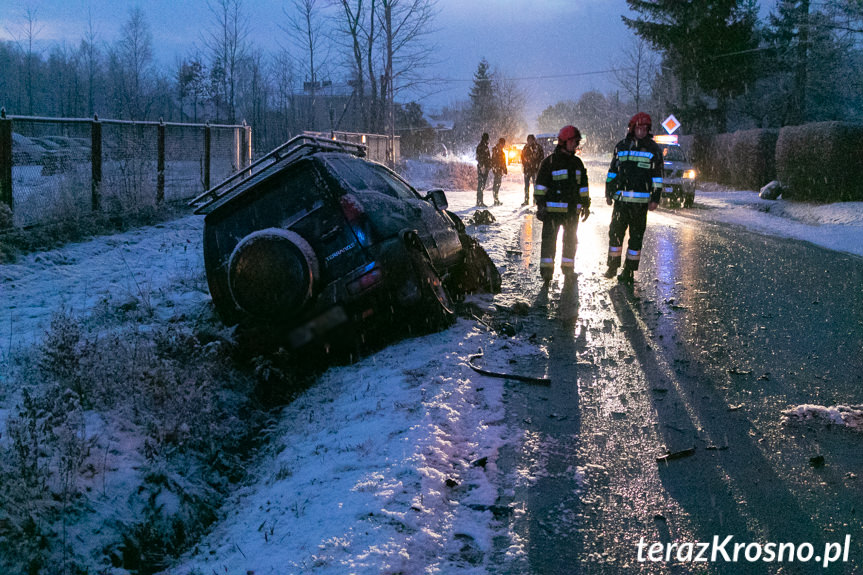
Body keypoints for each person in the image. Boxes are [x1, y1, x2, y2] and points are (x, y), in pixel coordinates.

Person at [603, 112, 663, 283]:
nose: (642, 131)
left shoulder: (653, 150)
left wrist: (655, 198)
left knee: (636, 238)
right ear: (632, 128)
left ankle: (629, 270)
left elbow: (657, 178)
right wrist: (608, 193)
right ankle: (612, 266)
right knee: (615, 233)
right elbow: (612, 173)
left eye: (645, 129)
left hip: (640, 205)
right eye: (639, 128)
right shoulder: (621, 146)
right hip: (621, 202)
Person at [534, 125, 590, 281]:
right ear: (564, 141)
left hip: (572, 212)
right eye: (574, 141)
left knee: (571, 241)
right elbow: (540, 188)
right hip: (552, 213)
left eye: (577, 142)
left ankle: (568, 268)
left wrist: (586, 204)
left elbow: (583, 187)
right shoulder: (549, 163)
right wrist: (541, 205)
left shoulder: (578, 163)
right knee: (549, 242)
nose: (576, 145)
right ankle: (546, 272)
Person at [520, 134, 544, 206]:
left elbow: (541, 157)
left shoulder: (538, 147)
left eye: (531, 140)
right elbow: (522, 157)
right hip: (527, 169)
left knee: (535, 186)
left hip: (535, 169)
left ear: (533, 140)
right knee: (526, 186)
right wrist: (525, 164)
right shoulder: (526, 147)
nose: (530, 141)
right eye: (528, 140)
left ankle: (535, 200)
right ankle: (526, 200)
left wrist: (537, 164)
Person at [490, 137, 508, 206]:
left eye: (503, 144)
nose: (503, 145)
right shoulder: (496, 151)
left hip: (500, 170)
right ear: (500, 143)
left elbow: (503, 161)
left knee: (498, 185)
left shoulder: (501, 152)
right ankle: (495, 200)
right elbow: (493, 161)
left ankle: (496, 199)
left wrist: (505, 169)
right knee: (496, 185)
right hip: (497, 170)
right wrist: (495, 168)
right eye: (502, 144)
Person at [475, 133, 491, 207]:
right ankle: (479, 201)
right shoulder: (482, 147)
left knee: (481, 185)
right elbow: (480, 158)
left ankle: (480, 201)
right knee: (481, 185)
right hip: (482, 167)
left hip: (484, 167)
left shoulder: (483, 146)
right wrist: (483, 167)